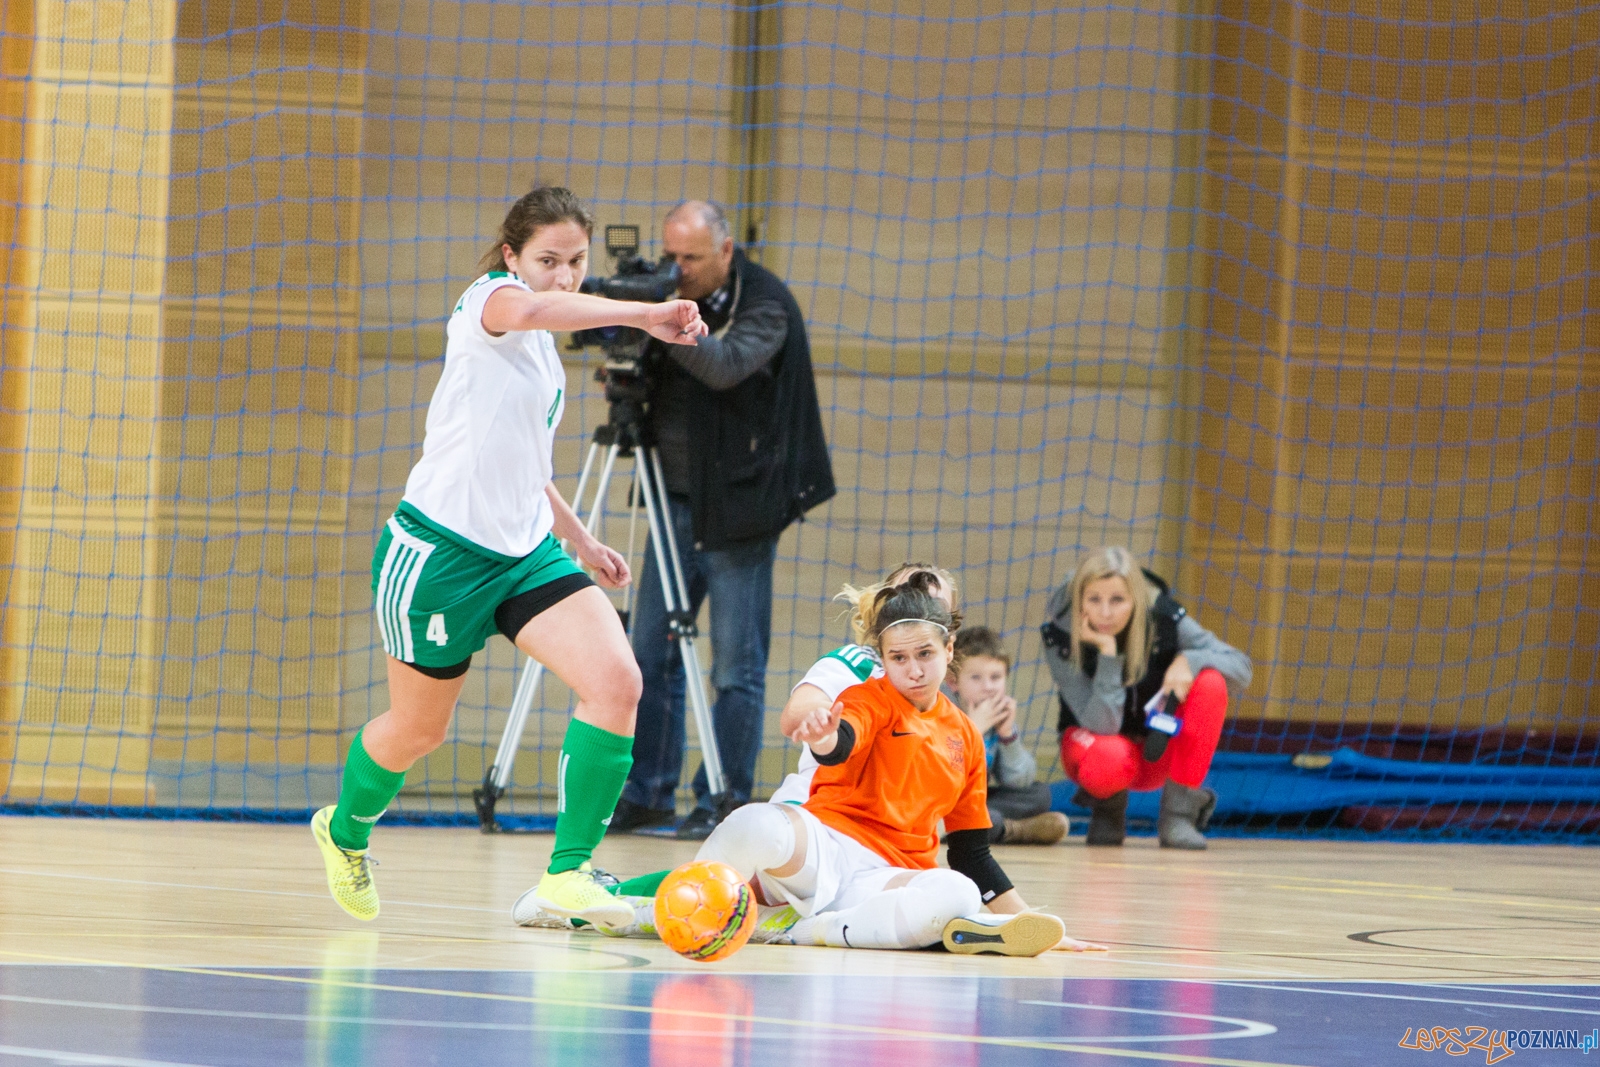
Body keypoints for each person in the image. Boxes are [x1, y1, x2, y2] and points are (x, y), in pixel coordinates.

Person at [310, 185, 708, 926]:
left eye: (577, 261)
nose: (562, 276)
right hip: (438, 556)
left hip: (525, 552)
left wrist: (579, 539)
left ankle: (568, 874)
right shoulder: (489, 302)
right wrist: (646, 312)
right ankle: (344, 829)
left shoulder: (546, 364)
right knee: (420, 730)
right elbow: (532, 308)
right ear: (510, 257)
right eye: (547, 260)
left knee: (618, 680)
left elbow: (525, 461)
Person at [596, 573, 1104, 955]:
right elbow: (843, 739)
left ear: (950, 650)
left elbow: (971, 852)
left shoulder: (966, 736)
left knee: (958, 891)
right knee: (754, 822)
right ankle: (680, 909)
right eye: (898, 658)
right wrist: (824, 738)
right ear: (883, 658)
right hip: (826, 851)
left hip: (886, 878)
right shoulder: (871, 697)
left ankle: (803, 932)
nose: (913, 669)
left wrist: (1031, 921)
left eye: (925, 654)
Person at [612, 199, 835, 840]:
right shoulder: (669, 296)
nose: (676, 271)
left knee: (735, 663)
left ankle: (727, 797)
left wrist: (659, 321)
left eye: (690, 259)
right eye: (670, 256)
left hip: (741, 507)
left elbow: (725, 365)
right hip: (673, 500)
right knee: (647, 652)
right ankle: (647, 792)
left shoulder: (767, 303)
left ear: (726, 252)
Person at [1041, 546, 1252, 849]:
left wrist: (1190, 661)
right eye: (1094, 600)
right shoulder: (1059, 637)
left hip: (1155, 748)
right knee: (1109, 754)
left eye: (1117, 600)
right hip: (1096, 749)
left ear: (1136, 601)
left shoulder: (1164, 618)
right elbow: (1105, 725)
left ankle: (1178, 815)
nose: (1105, 613)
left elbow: (1241, 667)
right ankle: (1107, 811)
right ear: (1079, 600)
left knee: (1211, 683)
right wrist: (1108, 653)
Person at [769, 562, 958, 806]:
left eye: (932, 603)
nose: (917, 608)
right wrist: (840, 726)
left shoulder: (944, 700)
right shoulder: (858, 663)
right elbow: (794, 717)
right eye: (908, 595)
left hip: (886, 824)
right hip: (815, 802)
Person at [949, 626, 1069, 845]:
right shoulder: (946, 714)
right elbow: (943, 780)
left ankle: (985, 825)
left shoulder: (998, 718)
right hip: (947, 803)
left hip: (976, 803)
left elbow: (1019, 781)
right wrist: (974, 731)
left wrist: (1008, 736)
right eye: (976, 678)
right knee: (981, 816)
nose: (988, 687)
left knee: (1040, 794)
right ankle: (1013, 830)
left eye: (995, 677)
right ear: (953, 682)